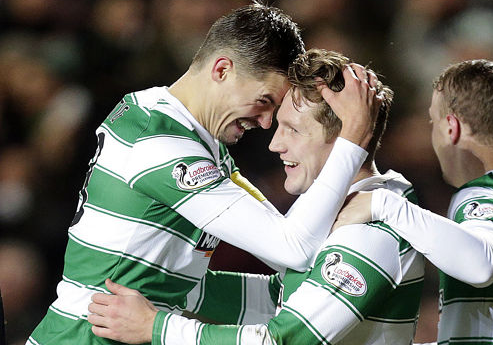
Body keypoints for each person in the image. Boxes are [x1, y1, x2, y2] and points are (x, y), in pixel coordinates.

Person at [28, 1, 382, 345]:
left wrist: (297, 297)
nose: (265, 123)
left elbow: (272, 251)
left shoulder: (196, 141)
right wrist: (352, 138)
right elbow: (293, 247)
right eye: (264, 101)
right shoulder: (160, 142)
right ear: (222, 70)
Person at [86, 49, 426, 344]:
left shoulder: (369, 232)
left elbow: (283, 339)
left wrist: (157, 327)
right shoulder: (337, 210)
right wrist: (171, 288)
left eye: (293, 129)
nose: (275, 144)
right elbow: (282, 297)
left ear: (345, 138)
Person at [338, 59, 493, 344]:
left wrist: (383, 205)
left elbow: (482, 265)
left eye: (433, 121)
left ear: (451, 127)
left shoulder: (483, 195)